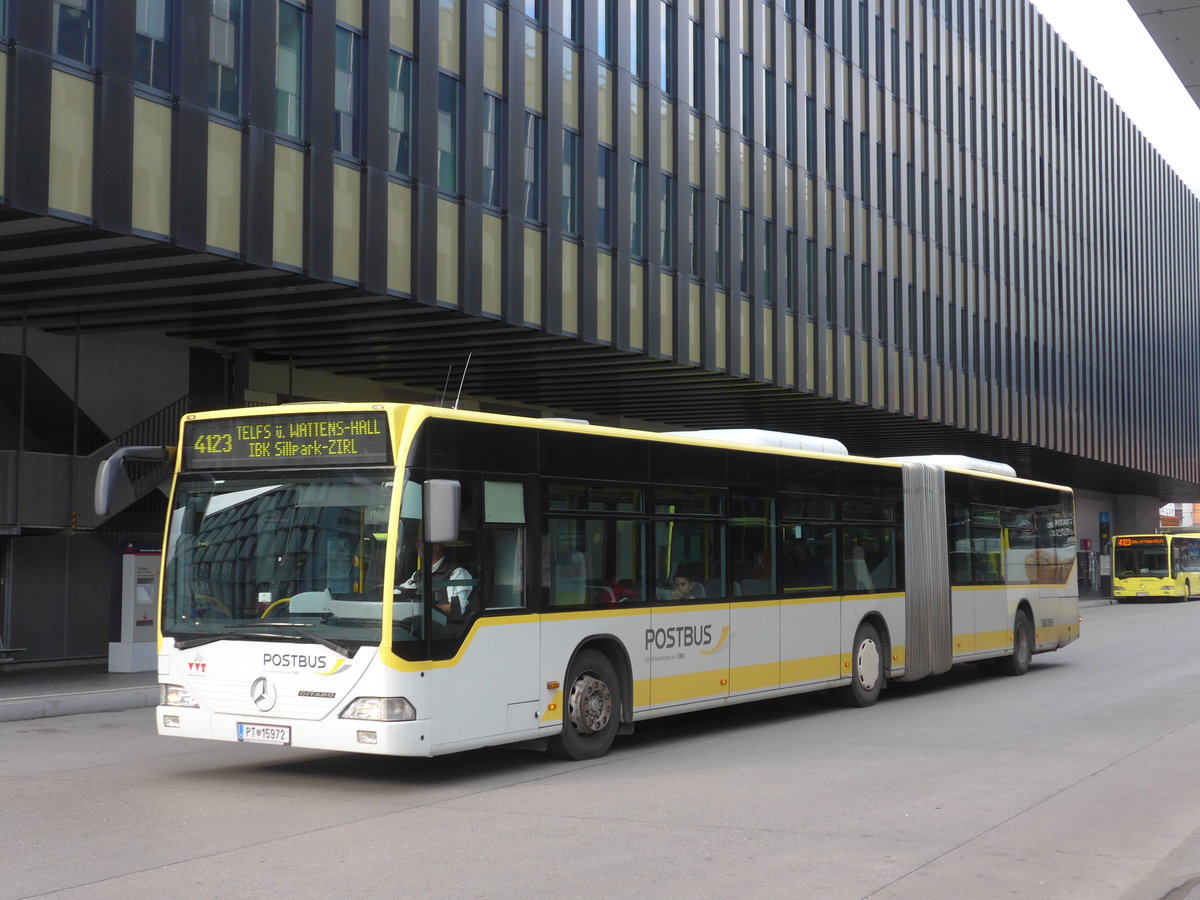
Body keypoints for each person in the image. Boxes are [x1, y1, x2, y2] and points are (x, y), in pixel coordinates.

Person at [397, 543, 474, 619]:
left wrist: (422, 610)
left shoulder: (457, 572)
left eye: (420, 542)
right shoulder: (418, 574)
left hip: (447, 625)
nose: (417, 545)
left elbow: (457, 608)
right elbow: (400, 590)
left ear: (436, 546)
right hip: (422, 622)